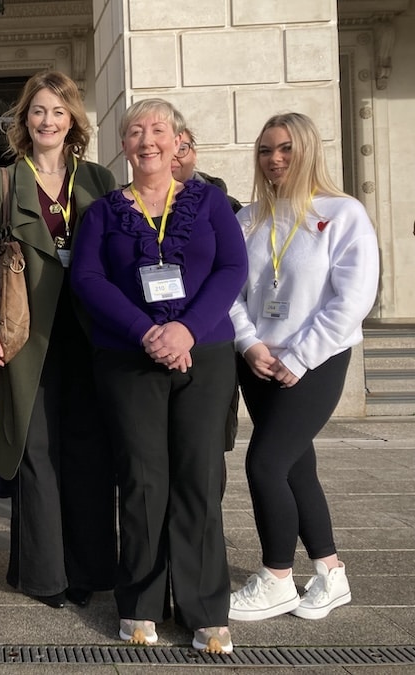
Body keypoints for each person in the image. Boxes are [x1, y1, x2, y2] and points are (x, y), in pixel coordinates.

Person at [72, 98, 247, 654]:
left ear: (177, 141)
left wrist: (186, 331)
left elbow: (233, 268)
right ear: (123, 145)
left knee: (199, 478)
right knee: (142, 482)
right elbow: (87, 278)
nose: (147, 140)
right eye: (135, 131)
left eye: (158, 130)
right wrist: (146, 332)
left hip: (204, 354)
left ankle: (204, 609)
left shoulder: (209, 201)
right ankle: (141, 603)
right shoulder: (103, 212)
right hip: (128, 358)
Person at [0, 70, 118, 610]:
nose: (47, 121)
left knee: (88, 450)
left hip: (92, 333)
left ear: (72, 119)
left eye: (58, 111)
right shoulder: (4, 182)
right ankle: (44, 574)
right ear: (24, 119)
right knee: (36, 450)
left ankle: (89, 569)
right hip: (27, 334)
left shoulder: (99, 179)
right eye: (38, 111)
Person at [228, 112, 378, 623]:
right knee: (295, 466)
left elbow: (352, 299)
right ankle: (331, 573)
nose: (274, 159)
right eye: (266, 150)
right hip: (257, 362)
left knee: (265, 464)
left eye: (286, 148)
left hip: (316, 362)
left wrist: (300, 356)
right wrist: (248, 344)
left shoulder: (343, 213)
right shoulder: (248, 219)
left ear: (309, 150)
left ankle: (276, 579)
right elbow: (231, 293)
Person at [169, 126, 243, 476]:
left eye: (181, 148)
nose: (173, 157)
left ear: (194, 152)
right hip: (154, 342)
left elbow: (234, 274)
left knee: (206, 457)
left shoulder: (225, 205)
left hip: (210, 342)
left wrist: (189, 328)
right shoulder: (126, 203)